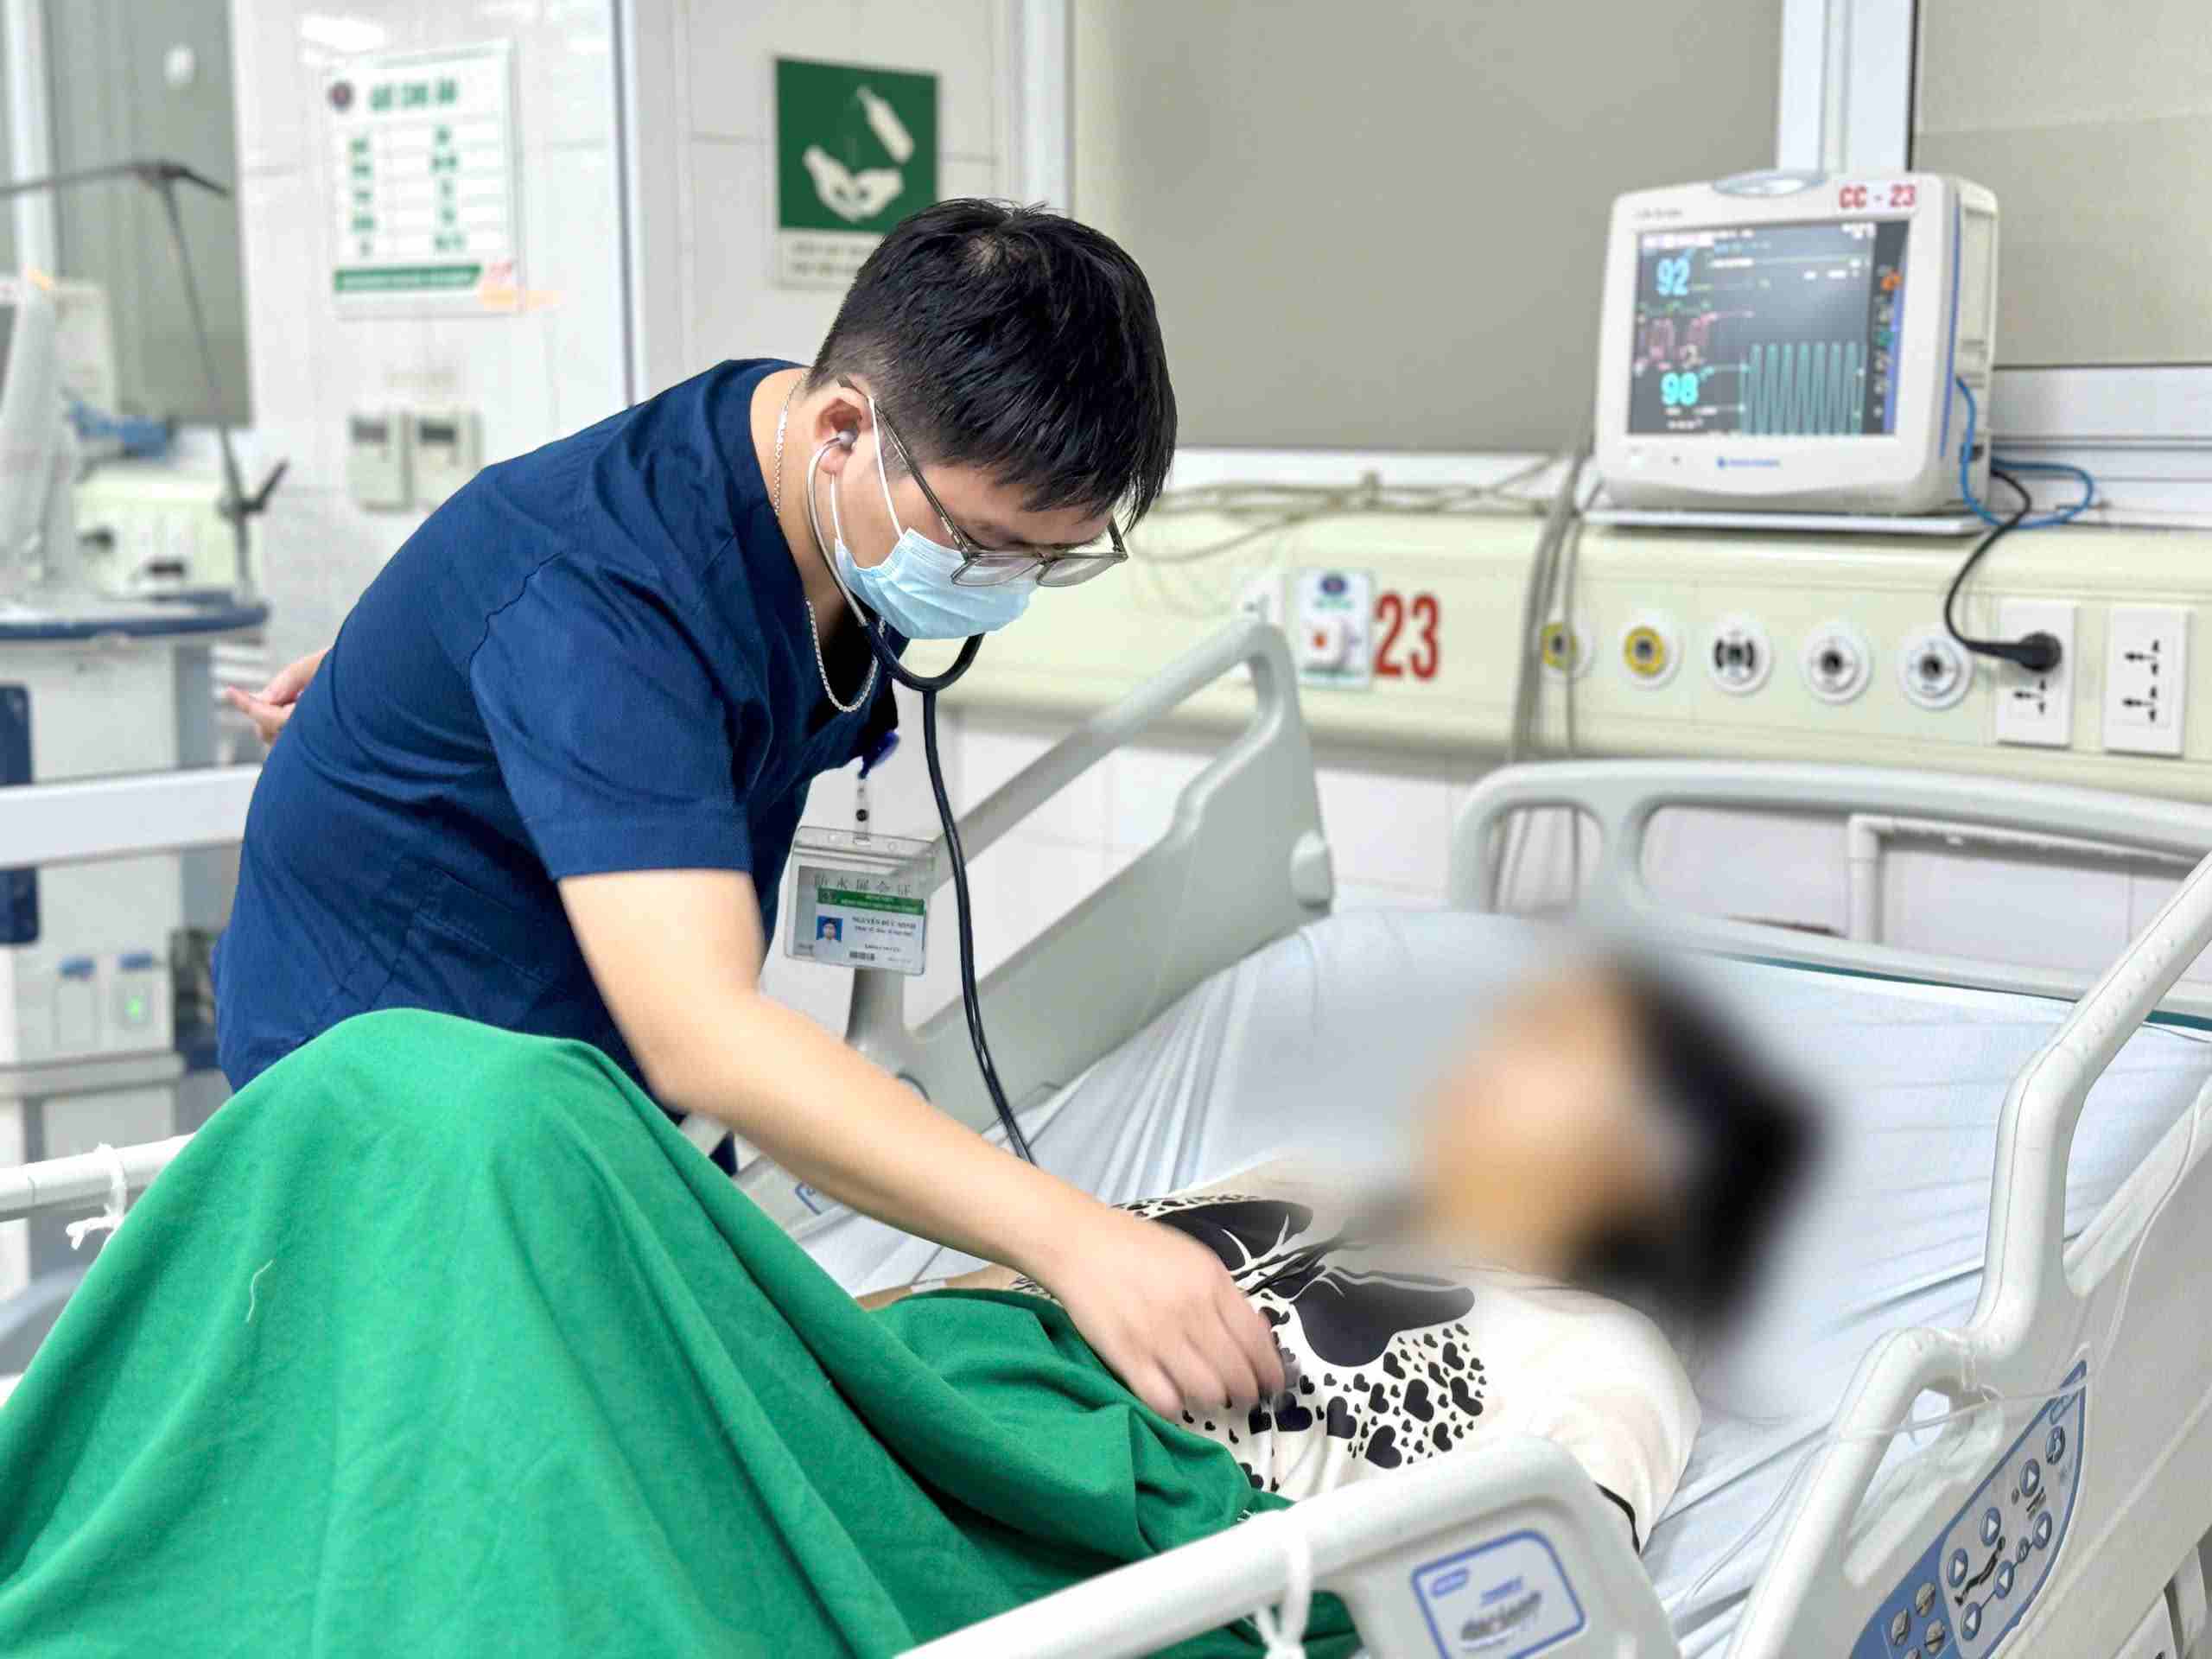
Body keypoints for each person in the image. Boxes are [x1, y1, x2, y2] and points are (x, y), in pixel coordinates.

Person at [214, 199, 1287, 1421]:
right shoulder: (604, 597)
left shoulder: (832, 506)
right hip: (399, 1093)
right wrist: (1077, 1239)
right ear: (842, 428)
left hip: (595, 1078)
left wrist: (410, 677)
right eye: (988, 545)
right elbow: (705, 1034)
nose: (1004, 587)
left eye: (1048, 558)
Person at [864, 949, 1820, 1548]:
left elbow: (1552, 1593)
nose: (1482, 1048)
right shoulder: (1306, 1176)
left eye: (1549, 1040)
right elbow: (993, 1294)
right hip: (916, 1388)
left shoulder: (1607, 1353)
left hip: (1078, 1498)